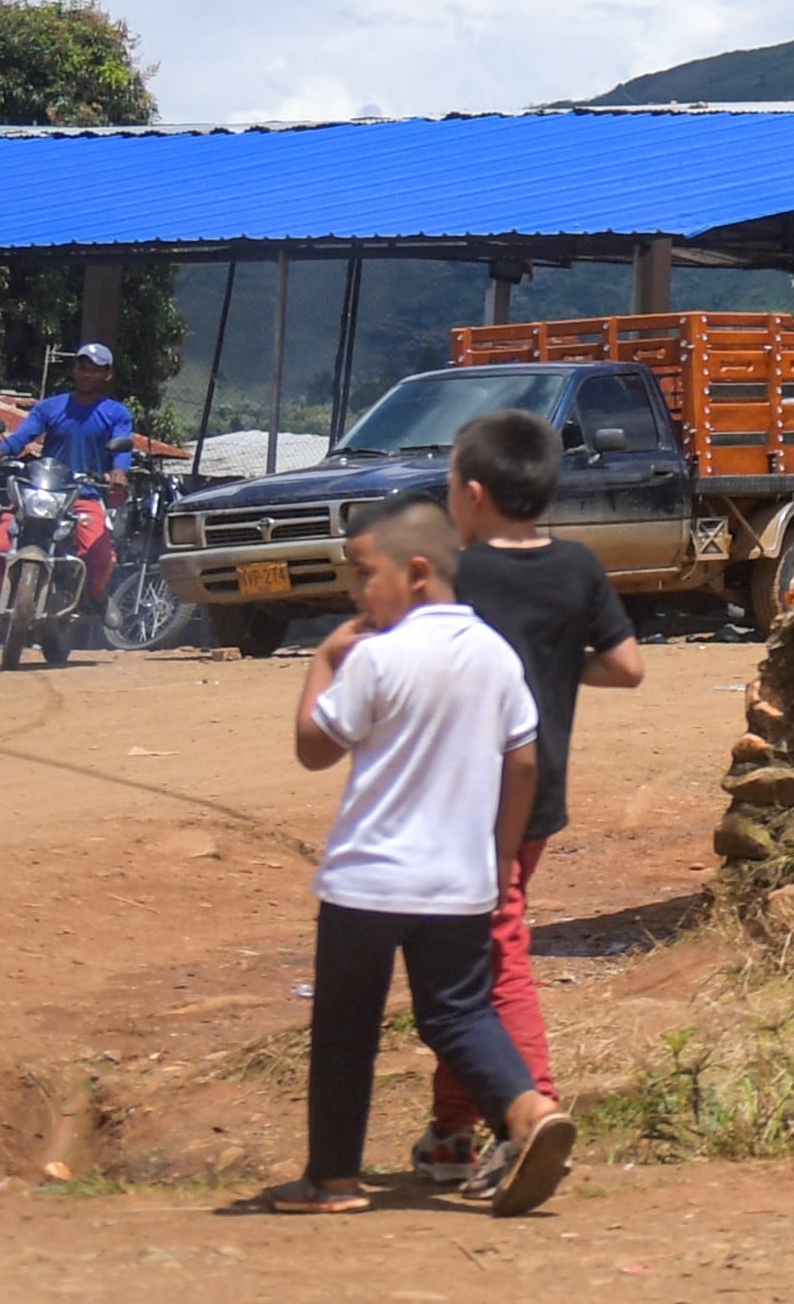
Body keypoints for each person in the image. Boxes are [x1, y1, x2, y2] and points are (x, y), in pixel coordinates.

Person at [275, 498, 572, 1218]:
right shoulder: (496, 654)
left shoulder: (377, 654)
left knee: (346, 1029)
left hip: (367, 884)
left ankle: (334, 1181)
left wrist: (324, 657)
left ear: (413, 572)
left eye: (360, 573)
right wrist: (499, 860)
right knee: (460, 1013)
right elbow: (524, 765)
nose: (353, 593)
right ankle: (529, 1112)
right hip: (459, 883)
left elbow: (315, 747)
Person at [402, 409, 641, 1194]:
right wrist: (552, 669)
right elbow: (627, 666)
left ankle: (532, 1110)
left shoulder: (456, 575)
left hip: (465, 802)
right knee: (462, 963)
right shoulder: (577, 568)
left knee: (493, 956)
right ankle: (450, 1133)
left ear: (472, 494)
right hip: (536, 799)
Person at [0, 342, 187, 630]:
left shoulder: (116, 413)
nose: (87, 374)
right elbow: (23, 436)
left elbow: (122, 449)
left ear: (108, 374)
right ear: (75, 370)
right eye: (82, 367)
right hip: (42, 491)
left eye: (95, 369)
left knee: (102, 556)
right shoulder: (51, 407)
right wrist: (0, 450)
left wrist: (118, 472)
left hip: (84, 494)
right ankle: (9, 592)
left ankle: (96, 595)